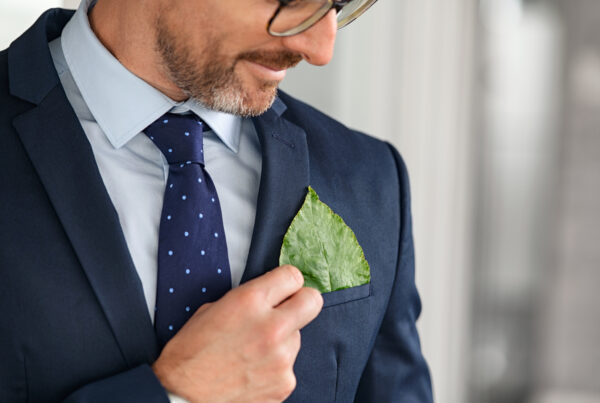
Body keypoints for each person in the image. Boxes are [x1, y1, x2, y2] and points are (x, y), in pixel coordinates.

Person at [0, 0, 433, 401]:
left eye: (338, 4)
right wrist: (178, 392)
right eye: (293, 0)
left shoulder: (371, 179)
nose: (321, 49)